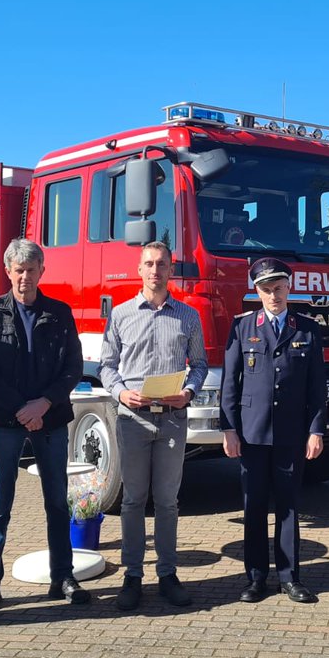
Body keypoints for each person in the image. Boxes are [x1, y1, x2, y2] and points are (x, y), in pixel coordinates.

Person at [0, 239, 88, 617]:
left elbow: (73, 366)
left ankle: (62, 576)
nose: (25, 277)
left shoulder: (59, 312)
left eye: (31, 270)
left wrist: (43, 403)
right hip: (6, 420)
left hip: (50, 419)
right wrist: (22, 408)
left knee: (56, 501)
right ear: (8, 272)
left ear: (41, 272)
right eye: (18, 270)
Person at [99, 241, 208, 610]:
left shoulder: (188, 316)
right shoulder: (122, 315)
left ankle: (167, 574)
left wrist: (190, 391)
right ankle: (132, 576)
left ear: (170, 269)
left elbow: (201, 364)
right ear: (139, 269)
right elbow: (107, 366)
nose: (155, 270)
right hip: (133, 420)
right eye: (149, 264)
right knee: (132, 501)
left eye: (162, 264)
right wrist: (120, 393)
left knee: (167, 502)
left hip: (173, 420)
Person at [220, 258, 326, 604]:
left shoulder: (307, 329)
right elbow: (229, 385)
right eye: (266, 289)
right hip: (251, 435)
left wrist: (316, 431)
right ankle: (255, 578)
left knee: (289, 507)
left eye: (279, 288)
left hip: (291, 435)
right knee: (253, 507)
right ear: (257, 291)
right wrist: (229, 429)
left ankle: (289, 577)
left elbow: (316, 388)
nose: (274, 295)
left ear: (289, 287)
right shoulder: (242, 327)